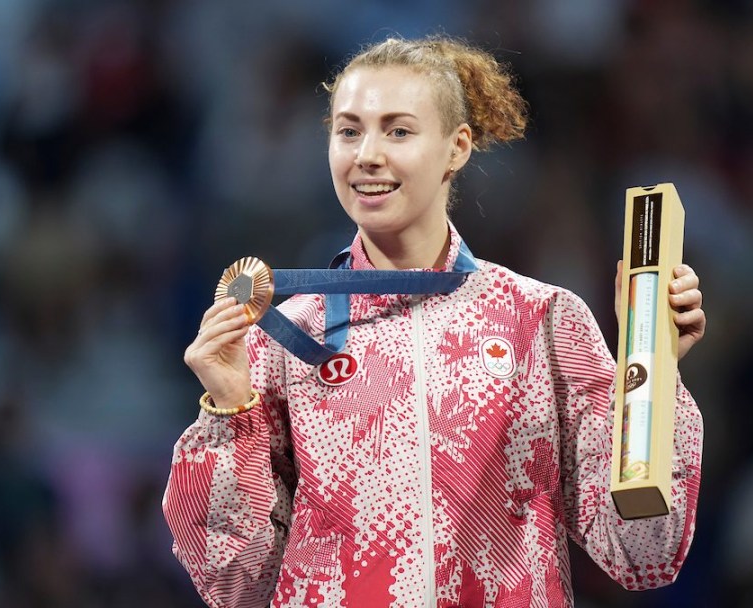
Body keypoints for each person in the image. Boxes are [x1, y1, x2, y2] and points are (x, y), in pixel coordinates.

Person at [163, 35, 705, 608]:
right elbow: (236, 586)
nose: (367, 154)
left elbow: (641, 552)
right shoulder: (287, 339)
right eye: (349, 131)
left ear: (457, 147)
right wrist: (230, 410)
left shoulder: (541, 321)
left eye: (398, 130)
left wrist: (654, 369)